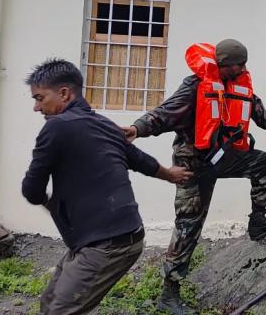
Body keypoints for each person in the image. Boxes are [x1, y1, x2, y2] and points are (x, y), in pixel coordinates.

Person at [121, 39, 266, 315]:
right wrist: (136, 128)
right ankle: (169, 295)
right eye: (240, 64)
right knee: (188, 226)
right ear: (225, 65)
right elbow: (163, 114)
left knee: (263, 164)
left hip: (222, 157)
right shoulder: (195, 86)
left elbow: (256, 108)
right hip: (191, 164)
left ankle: (258, 221)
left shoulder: (236, 82)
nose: (245, 68)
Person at [21, 59, 192, 315]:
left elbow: (32, 191)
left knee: (58, 310)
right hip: (118, 236)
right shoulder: (105, 125)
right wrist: (169, 174)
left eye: (39, 98)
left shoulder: (56, 127)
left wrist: (52, 203)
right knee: (50, 301)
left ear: (64, 93)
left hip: (107, 245)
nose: (36, 107)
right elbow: (138, 159)